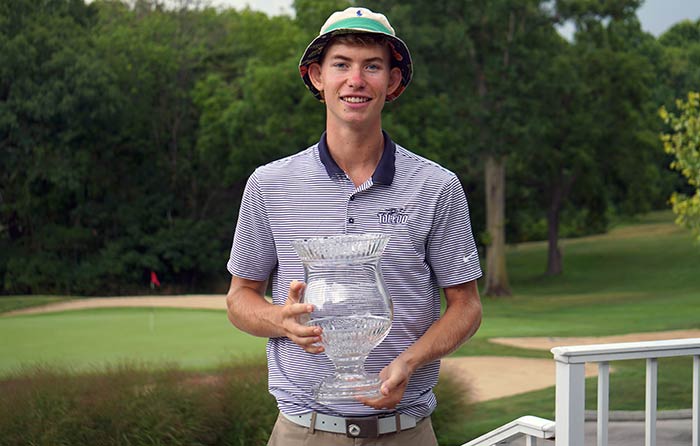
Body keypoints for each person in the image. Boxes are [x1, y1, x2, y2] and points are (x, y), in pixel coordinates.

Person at [226, 6, 482, 445]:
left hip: (406, 431)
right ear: (316, 76)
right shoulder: (270, 184)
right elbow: (239, 299)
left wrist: (410, 361)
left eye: (373, 66)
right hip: (303, 432)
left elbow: (467, 306)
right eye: (341, 64)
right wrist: (278, 320)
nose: (356, 80)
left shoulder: (436, 186)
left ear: (393, 81)